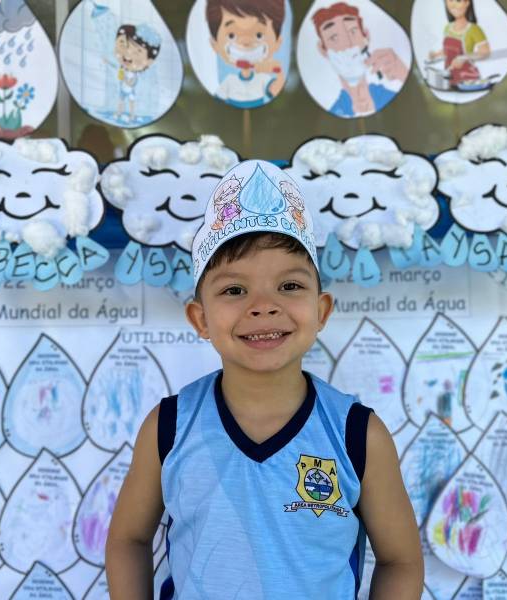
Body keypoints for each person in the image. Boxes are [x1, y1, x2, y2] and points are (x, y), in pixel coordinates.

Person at [106, 160, 423, 598]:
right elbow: (128, 540)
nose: (263, 305)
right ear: (200, 319)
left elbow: (400, 561)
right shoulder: (170, 426)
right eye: (234, 290)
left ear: (321, 311)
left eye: (289, 286)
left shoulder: (357, 434)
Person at [313, 2, 409, 118]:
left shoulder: (392, 95)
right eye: (334, 37)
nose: (348, 44)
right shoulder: (331, 111)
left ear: (366, 36)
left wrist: (403, 74)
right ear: (323, 50)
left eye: (353, 31)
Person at [206, 0, 286, 108]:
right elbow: (217, 102)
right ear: (215, 44)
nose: (245, 42)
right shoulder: (229, 81)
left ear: (277, 43)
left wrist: (278, 71)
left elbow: (275, 89)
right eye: (231, 35)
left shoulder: (262, 79)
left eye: (259, 35)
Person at [428, 0, 490, 87]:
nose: (453, 5)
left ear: (467, 3)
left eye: (458, 1)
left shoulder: (474, 29)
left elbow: (485, 52)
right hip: (450, 78)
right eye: (450, 1)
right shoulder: (447, 28)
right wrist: (435, 54)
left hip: (468, 80)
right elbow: (447, 51)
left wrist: (463, 58)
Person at [109, 23, 161, 123]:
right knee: (121, 101)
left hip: (130, 91)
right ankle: (119, 113)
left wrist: (125, 79)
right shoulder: (123, 68)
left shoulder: (134, 74)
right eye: (123, 45)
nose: (128, 54)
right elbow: (115, 68)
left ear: (149, 62)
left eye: (137, 52)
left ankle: (132, 115)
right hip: (123, 89)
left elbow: (132, 83)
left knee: (131, 102)